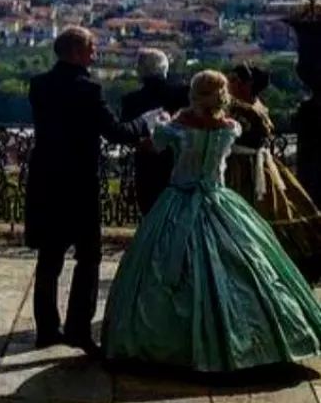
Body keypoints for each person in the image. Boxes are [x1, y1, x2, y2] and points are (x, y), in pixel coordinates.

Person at [102, 70, 321, 373]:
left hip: (178, 198)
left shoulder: (176, 127)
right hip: (219, 200)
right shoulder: (229, 129)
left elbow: (153, 146)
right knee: (248, 264)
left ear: (193, 93)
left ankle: (169, 342)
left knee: (162, 269)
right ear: (223, 96)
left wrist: (150, 128)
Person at [25, 26, 152, 356]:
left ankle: (47, 329)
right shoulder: (88, 88)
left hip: (46, 179)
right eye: (92, 48)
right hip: (79, 183)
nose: (96, 53)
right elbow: (115, 133)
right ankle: (79, 328)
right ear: (77, 52)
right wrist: (146, 122)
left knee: (49, 258)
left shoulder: (38, 86)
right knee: (88, 257)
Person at [225, 63, 321, 281]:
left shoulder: (243, 109)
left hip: (245, 167)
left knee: (263, 209)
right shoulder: (249, 105)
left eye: (235, 80)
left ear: (246, 85)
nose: (230, 83)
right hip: (252, 163)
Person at [121, 49, 190, 217]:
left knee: (150, 210)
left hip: (146, 160)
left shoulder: (131, 100)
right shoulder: (182, 94)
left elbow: (126, 133)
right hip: (178, 160)